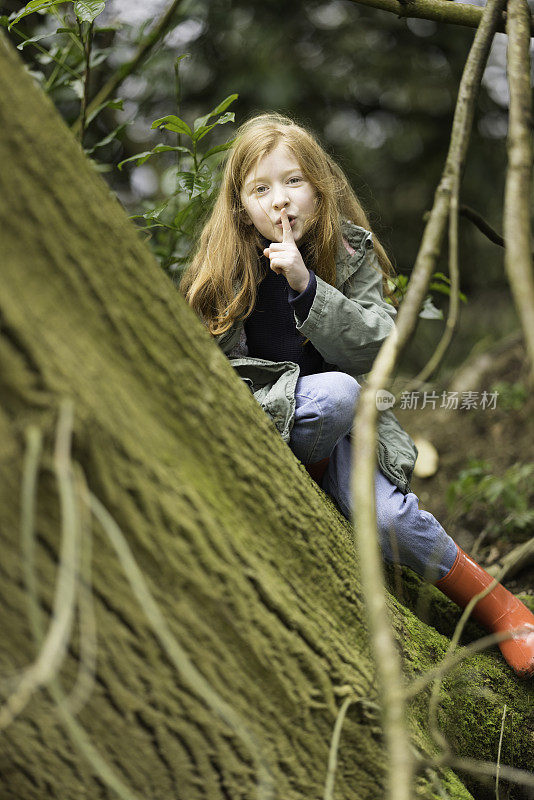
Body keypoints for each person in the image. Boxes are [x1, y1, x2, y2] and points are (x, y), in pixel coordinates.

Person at [180, 112, 534, 678]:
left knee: (393, 514)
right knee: (333, 396)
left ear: (320, 187)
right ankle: (315, 468)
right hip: (269, 420)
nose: (280, 202)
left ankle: (507, 611)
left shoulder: (349, 251)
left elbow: (381, 346)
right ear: (240, 204)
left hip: (343, 426)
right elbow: (204, 366)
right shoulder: (224, 265)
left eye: (294, 181)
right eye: (261, 189)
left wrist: (306, 285)